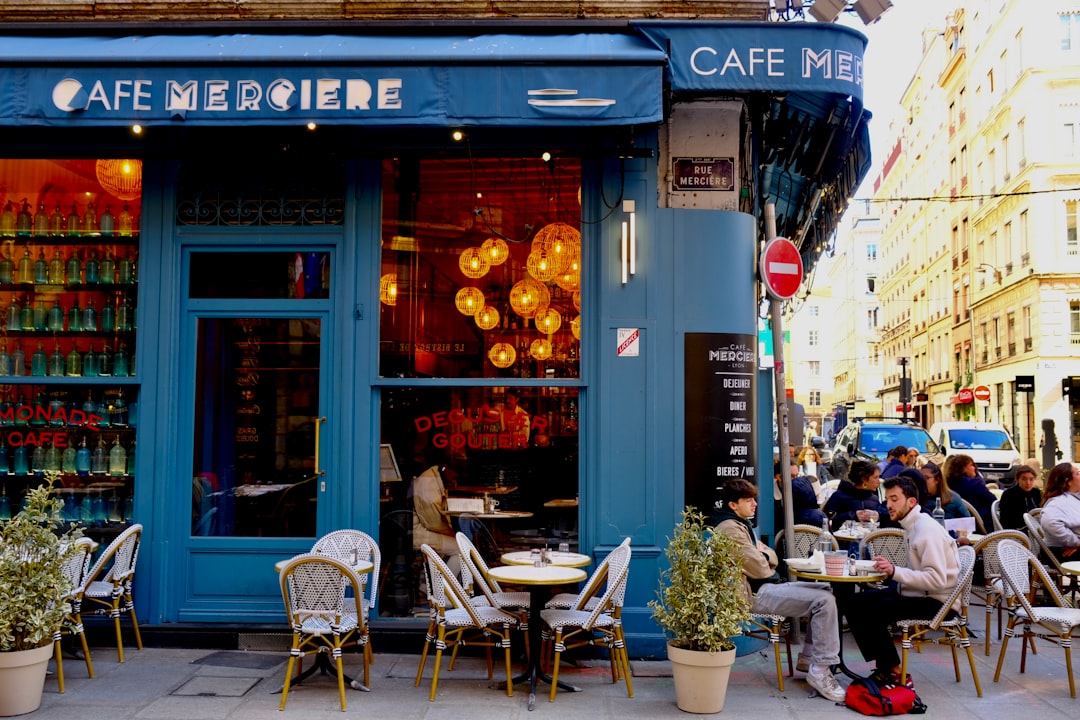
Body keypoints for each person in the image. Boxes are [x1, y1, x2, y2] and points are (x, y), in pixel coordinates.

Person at [715, 479, 846, 703]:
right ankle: (820, 670)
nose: (754, 504)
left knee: (824, 591)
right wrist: (765, 556)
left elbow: (767, 557)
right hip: (754, 594)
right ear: (733, 505)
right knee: (824, 600)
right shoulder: (730, 528)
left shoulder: (738, 523)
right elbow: (760, 567)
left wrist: (764, 555)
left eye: (754, 499)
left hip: (763, 587)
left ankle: (808, 658)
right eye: (748, 500)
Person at [843, 474, 961, 686]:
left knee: (869, 610)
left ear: (911, 502)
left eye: (895, 499)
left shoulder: (926, 530)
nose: (888, 505)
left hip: (939, 603)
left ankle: (893, 671)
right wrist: (892, 570)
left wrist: (895, 571)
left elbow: (937, 580)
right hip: (920, 594)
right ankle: (886, 667)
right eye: (887, 499)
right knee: (853, 602)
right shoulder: (914, 525)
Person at [411, 464, 462, 574]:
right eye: (454, 476)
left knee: (456, 545)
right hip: (421, 534)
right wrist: (452, 533)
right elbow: (433, 523)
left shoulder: (432, 477)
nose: (455, 479)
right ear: (446, 468)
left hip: (421, 531)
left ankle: (426, 587)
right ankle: (445, 588)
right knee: (462, 550)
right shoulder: (429, 482)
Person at [823, 460, 889, 532]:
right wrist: (852, 516)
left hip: (869, 540)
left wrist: (877, 516)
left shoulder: (874, 499)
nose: (879, 481)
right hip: (841, 541)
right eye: (875, 477)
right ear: (864, 479)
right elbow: (826, 522)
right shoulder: (839, 496)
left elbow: (884, 521)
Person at [944, 454, 997, 531]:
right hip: (981, 525)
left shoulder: (947, 484)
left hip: (956, 525)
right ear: (963, 468)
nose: (974, 468)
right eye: (971, 465)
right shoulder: (974, 484)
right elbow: (993, 501)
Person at [1039, 462, 1080, 561]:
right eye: (1078, 474)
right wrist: (1075, 542)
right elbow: (1049, 522)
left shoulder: (1073, 498)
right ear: (1068, 481)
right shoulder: (1058, 502)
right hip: (1060, 551)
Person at [774, 461, 827, 526]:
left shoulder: (801, 490)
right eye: (792, 476)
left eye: (797, 475)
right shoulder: (770, 500)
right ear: (779, 477)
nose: (797, 479)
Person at [998, 464, 1041, 531]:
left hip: (1037, 530)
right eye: (1024, 479)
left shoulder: (1037, 493)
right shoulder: (1009, 495)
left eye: (1031, 479)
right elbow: (1006, 521)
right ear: (1017, 480)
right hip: (1016, 532)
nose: (1028, 483)